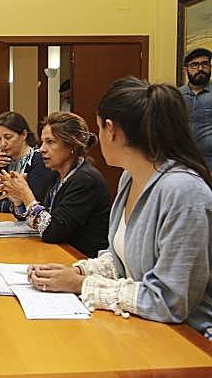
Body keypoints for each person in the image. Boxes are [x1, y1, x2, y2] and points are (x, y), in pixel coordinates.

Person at [26, 77, 212, 338]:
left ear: (111, 129)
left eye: (99, 128)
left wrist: (81, 284)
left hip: (187, 338)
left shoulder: (184, 192)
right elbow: (119, 259)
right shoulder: (129, 177)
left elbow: (170, 300)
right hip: (141, 325)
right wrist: (77, 271)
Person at [0, 112, 111, 257]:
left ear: (71, 145)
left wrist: (26, 194)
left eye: (50, 142)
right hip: (57, 252)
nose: (42, 149)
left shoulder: (85, 180)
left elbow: (52, 231)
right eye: (42, 142)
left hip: (79, 259)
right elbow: (35, 219)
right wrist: (18, 200)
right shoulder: (56, 174)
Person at [0, 112, 57, 212]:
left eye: (8, 137)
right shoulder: (6, 159)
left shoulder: (39, 159)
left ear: (24, 135)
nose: (3, 144)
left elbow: (32, 203)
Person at [179, 47, 212, 169]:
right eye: (194, 65)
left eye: (204, 64)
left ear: (210, 67)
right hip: (183, 161)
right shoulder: (177, 95)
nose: (200, 69)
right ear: (185, 70)